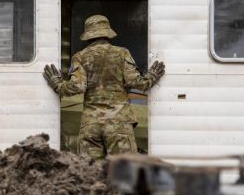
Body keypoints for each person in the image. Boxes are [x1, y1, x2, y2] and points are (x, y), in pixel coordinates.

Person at [43, 14, 165, 160]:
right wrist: (152, 76)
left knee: (90, 175)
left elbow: (77, 87)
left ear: (87, 36)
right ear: (108, 33)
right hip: (119, 124)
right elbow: (137, 82)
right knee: (123, 175)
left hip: (91, 126)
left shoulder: (80, 57)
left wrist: (57, 84)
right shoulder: (122, 53)